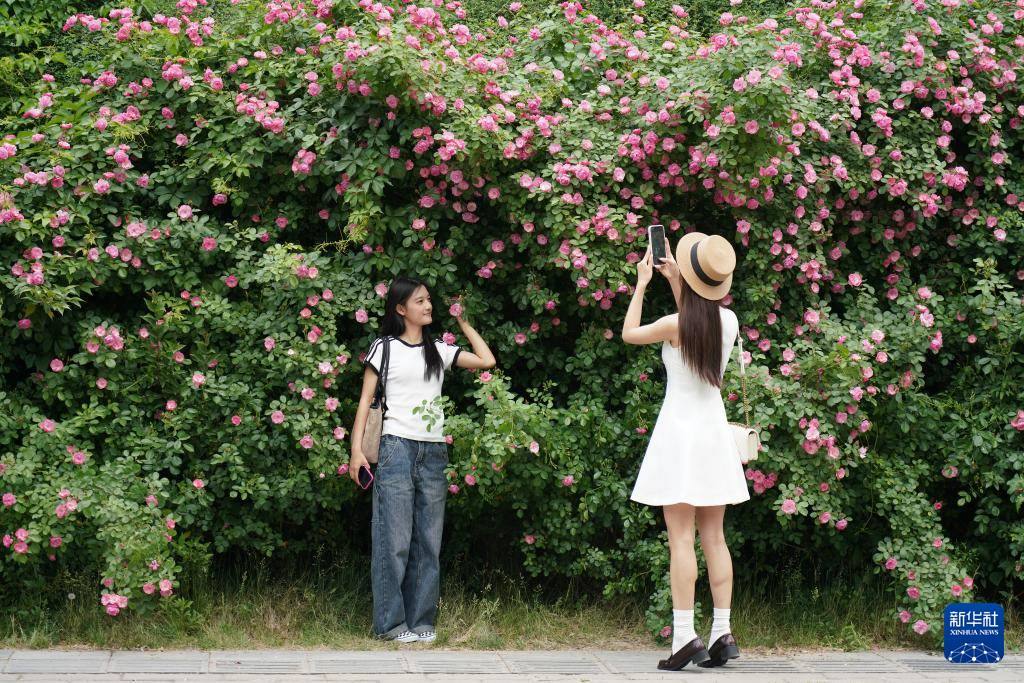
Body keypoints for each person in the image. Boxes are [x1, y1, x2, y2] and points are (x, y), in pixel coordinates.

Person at [621, 233, 750, 670]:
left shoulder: (672, 325)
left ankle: (683, 636)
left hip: (679, 436)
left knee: (681, 539)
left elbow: (629, 333)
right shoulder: (729, 322)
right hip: (713, 435)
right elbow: (699, 320)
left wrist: (642, 283)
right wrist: (678, 281)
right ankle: (722, 632)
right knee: (715, 538)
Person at [350, 276, 496, 643]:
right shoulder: (384, 347)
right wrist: (356, 451)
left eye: (428, 299)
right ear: (401, 309)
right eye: (419, 301)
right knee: (394, 540)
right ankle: (390, 625)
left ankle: (421, 622)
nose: (428, 306)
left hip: (434, 451)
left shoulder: (438, 350)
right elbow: (365, 401)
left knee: (428, 541)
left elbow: (487, 360)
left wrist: (463, 323)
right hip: (395, 448)